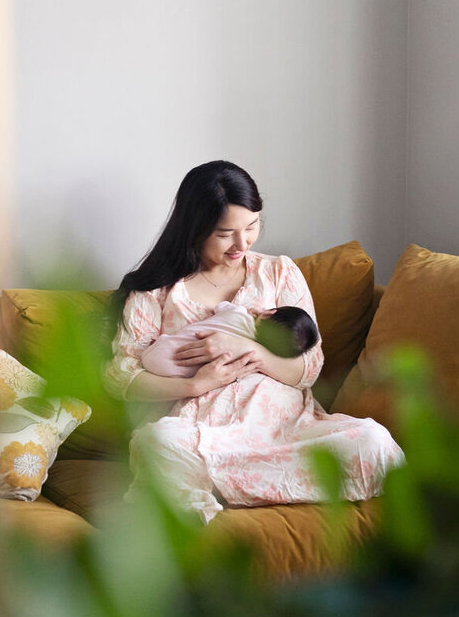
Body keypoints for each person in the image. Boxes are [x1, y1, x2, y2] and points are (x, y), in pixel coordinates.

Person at [105, 161, 405, 522]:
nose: (241, 243)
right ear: (194, 229)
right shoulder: (155, 290)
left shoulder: (278, 273)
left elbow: (309, 367)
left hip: (287, 430)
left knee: (372, 441)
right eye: (224, 232)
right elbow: (122, 377)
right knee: (158, 445)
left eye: (251, 226)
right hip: (206, 433)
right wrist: (195, 383)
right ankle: (249, 482)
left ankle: (224, 485)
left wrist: (253, 352)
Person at [141, 302, 319, 379]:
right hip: (173, 375)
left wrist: (248, 310)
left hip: (160, 348)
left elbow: (221, 306)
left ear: (268, 313)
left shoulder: (238, 314)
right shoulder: (245, 358)